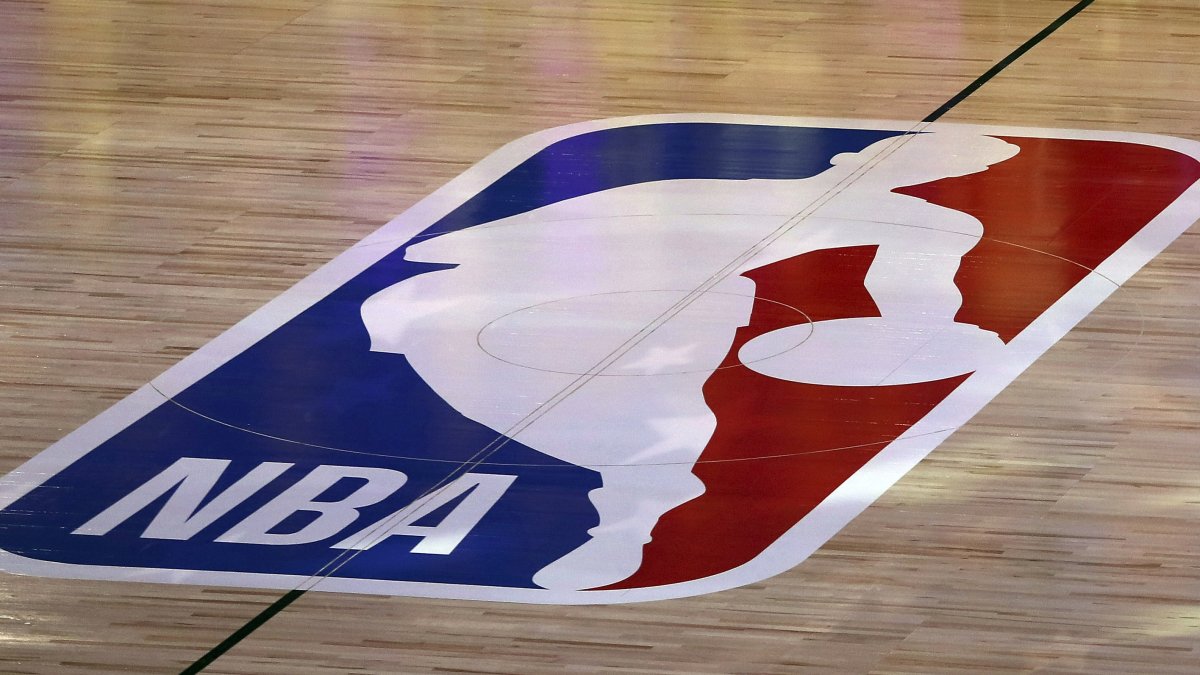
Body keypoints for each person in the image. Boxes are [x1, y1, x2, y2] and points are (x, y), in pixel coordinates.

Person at [361, 130, 1019, 590]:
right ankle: (629, 506)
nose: (924, 173)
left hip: (678, 307)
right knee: (495, 379)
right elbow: (561, 226)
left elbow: (912, 297)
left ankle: (624, 529)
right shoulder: (694, 187)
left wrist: (938, 335)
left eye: (954, 168)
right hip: (562, 292)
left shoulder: (929, 225)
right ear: (862, 154)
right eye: (915, 157)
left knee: (659, 425)